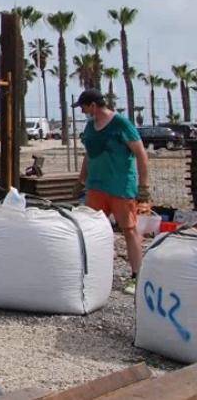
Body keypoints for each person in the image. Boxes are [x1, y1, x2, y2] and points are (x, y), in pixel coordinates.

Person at [74, 88, 151, 295]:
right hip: (96, 187)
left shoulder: (121, 124)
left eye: (83, 107)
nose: (81, 111)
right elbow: (89, 154)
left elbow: (141, 155)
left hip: (120, 187)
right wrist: (81, 180)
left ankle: (138, 276)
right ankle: (89, 274)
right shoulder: (90, 127)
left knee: (129, 229)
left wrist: (143, 188)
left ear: (93, 105)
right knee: (89, 229)